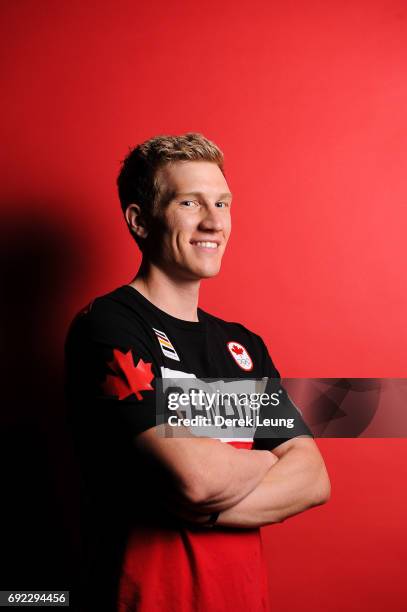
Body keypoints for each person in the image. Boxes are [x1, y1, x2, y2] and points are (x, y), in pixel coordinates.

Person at [65, 132, 331, 612]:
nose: (214, 221)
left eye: (223, 203)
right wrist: (270, 460)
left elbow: (313, 479)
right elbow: (195, 479)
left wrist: (203, 512)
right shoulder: (109, 325)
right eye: (190, 202)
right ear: (140, 221)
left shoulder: (243, 345)